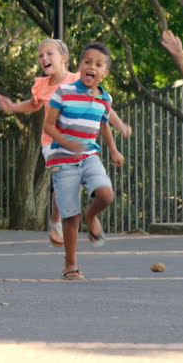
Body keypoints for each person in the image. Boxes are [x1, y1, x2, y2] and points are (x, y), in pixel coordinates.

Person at [0, 39, 131, 248]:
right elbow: (33, 105)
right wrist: (12, 106)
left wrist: (120, 125)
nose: (44, 58)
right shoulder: (41, 86)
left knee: (72, 181)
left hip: (79, 143)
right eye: (41, 55)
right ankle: (56, 221)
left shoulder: (79, 78)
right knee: (65, 176)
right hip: (51, 142)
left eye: (50, 54)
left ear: (64, 59)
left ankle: (66, 219)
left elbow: (104, 108)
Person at [44, 41, 125, 280]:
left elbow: (104, 125)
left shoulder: (105, 98)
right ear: (79, 66)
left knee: (106, 195)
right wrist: (68, 143)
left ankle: (92, 215)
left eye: (98, 64)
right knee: (71, 215)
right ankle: (70, 264)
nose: (91, 66)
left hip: (89, 156)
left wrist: (114, 150)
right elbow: (48, 125)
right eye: (87, 62)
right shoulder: (63, 92)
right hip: (63, 158)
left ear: (105, 73)